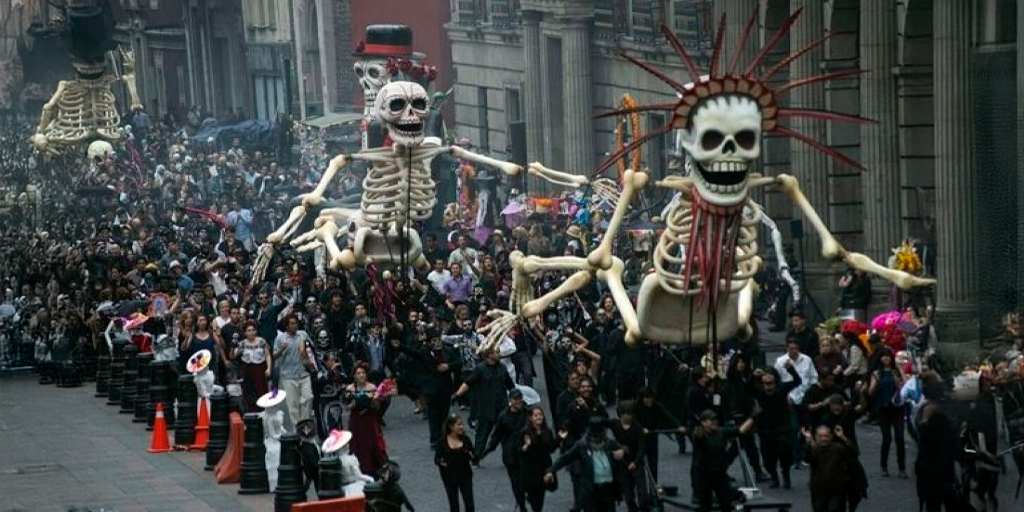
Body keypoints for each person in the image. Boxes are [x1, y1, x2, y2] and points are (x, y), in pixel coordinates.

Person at [544, 416, 625, 512]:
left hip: (608, 488)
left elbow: (624, 449)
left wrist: (622, 452)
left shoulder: (609, 443)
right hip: (591, 489)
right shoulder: (582, 445)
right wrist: (551, 470)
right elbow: (566, 457)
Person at [451, 348, 515, 458]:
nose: (499, 354)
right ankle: (477, 457)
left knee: (507, 434)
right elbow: (468, 383)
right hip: (486, 409)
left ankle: (510, 457)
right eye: (496, 352)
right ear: (489, 355)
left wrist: (514, 400)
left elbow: (510, 385)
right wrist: (457, 395)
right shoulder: (480, 369)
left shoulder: (502, 368)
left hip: (501, 407)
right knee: (482, 435)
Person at [691, 409, 756, 512]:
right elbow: (697, 435)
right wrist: (698, 425)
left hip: (720, 474)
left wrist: (752, 418)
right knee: (705, 505)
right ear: (703, 423)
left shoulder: (721, 432)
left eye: (715, 419)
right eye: (710, 420)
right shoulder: (699, 435)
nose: (714, 422)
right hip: (704, 475)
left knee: (726, 504)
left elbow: (740, 430)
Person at [481, 388, 528, 511]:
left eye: (520, 398)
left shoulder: (527, 413)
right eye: (516, 399)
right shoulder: (503, 417)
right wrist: (486, 451)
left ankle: (523, 500)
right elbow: (496, 436)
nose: (518, 401)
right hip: (511, 455)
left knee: (526, 480)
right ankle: (522, 505)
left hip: (525, 453)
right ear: (510, 401)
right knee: (516, 483)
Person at [343, 362, 388, 476]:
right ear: (354, 376)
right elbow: (347, 406)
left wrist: (374, 401)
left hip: (369, 420)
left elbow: (377, 406)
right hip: (356, 420)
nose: (361, 375)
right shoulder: (350, 388)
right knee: (357, 443)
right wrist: (353, 402)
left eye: (363, 373)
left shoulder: (372, 387)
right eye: (358, 373)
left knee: (372, 442)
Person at [867, 347, 906, 477]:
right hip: (883, 408)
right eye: (883, 356)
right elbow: (870, 392)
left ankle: (902, 467)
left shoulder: (896, 372)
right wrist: (876, 382)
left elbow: (906, 386)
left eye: (888, 356)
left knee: (900, 438)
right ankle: (884, 465)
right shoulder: (877, 373)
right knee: (887, 438)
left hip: (897, 407)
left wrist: (899, 373)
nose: (886, 359)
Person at [274, 315, 315, 428]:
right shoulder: (280, 338)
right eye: (291, 324)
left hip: (304, 373)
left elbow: (311, 349)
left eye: (296, 323)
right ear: (286, 326)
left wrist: (306, 355)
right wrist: (282, 350)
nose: (294, 326)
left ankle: (306, 425)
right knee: (293, 405)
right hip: (288, 376)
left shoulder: (303, 335)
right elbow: (273, 356)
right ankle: (297, 429)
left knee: (308, 398)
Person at [518, 405, 558, 512]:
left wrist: (559, 439)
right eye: (535, 415)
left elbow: (551, 449)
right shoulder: (525, 432)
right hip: (530, 470)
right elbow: (520, 451)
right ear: (530, 418)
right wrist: (526, 446)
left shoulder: (547, 431)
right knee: (534, 496)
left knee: (540, 496)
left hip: (543, 467)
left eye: (540, 415)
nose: (539, 417)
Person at [435, 415, 478, 512]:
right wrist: (442, 463)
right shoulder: (442, 442)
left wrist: (472, 455)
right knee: (454, 506)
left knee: (469, 504)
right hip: (449, 477)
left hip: (465, 476)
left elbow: (474, 457)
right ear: (451, 427)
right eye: (458, 425)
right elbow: (437, 459)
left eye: (462, 424)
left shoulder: (466, 440)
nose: (461, 427)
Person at [233, 320, 271, 411]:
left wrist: (269, 368)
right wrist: (234, 346)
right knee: (248, 393)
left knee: (261, 391)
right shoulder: (242, 343)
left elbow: (267, 355)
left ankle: (263, 411)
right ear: (245, 333)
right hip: (247, 370)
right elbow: (233, 355)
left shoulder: (261, 341)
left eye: (253, 330)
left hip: (260, 369)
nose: (251, 332)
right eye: (248, 330)